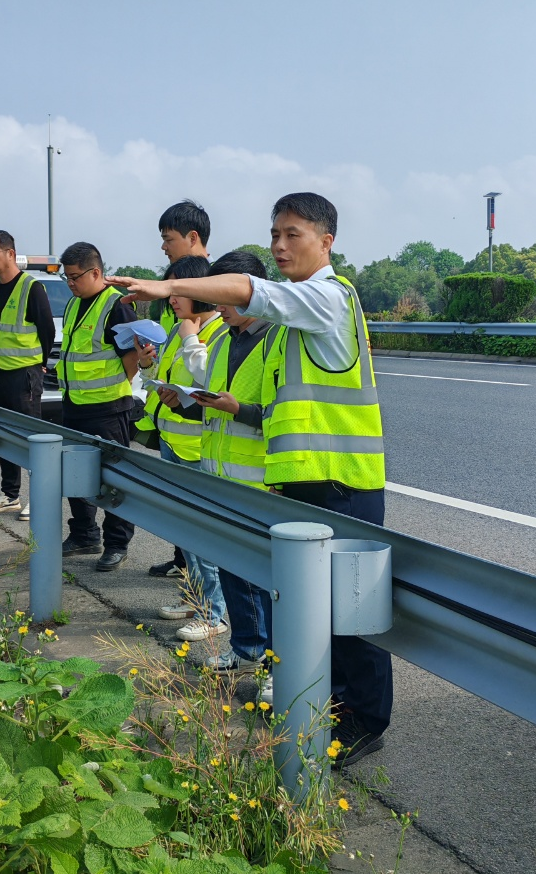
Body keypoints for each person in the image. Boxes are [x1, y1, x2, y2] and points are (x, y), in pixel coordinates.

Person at [108, 192, 390, 766]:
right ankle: (328, 709)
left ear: (326, 241)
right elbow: (262, 387)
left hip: (343, 480)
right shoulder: (291, 325)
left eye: (293, 235)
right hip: (304, 482)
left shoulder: (331, 297)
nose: (280, 245)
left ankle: (363, 720)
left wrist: (167, 290)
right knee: (314, 613)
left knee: (348, 615)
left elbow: (248, 290)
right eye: (275, 234)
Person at [191, 251, 279, 679]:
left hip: (263, 483)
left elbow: (286, 416)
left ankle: (273, 667)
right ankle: (245, 650)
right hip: (222, 479)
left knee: (267, 582)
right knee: (233, 573)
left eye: (224, 294)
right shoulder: (224, 338)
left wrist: (238, 408)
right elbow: (213, 405)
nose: (217, 305)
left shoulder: (278, 340)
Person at [139, 256, 230, 641]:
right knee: (187, 533)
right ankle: (196, 599)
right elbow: (170, 385)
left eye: (178, 289)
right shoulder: (182, 331)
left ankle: (215, 612)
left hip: (200, 449)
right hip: (175, 443)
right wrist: (148, 370)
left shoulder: (217, 332)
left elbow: (210, 383)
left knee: (204, 534)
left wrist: (190, 337)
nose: (171, 298)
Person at [56, 242, 140, 572]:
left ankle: (117, 543)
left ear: (96, 272)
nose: (71, 283)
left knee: (113, 480)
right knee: (75, 475)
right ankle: (84, 534)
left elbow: (131, 359)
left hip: (109, 409)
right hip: (75, 406)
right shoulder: (74, 305)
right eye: (67, 277)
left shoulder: (116, 305)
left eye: (75, 276)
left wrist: (115, 387)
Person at [140, 200, 212, 579]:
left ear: (192, 237)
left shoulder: (214, 291)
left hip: (198, 435)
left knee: (203, 526)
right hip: (171, 421)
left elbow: (208, 370)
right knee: (184, 519)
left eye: (168, 239)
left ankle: (202, 593)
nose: (164, 247)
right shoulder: (176, 292)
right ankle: (188, 572)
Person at [0, 230, 55, 522]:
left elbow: (47, 330)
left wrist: (41, 364)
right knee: (5, 437)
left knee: (30, 438)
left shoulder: (31, 288)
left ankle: (40, 497)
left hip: (24, 375)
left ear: (10, 253)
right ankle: (10, 494)